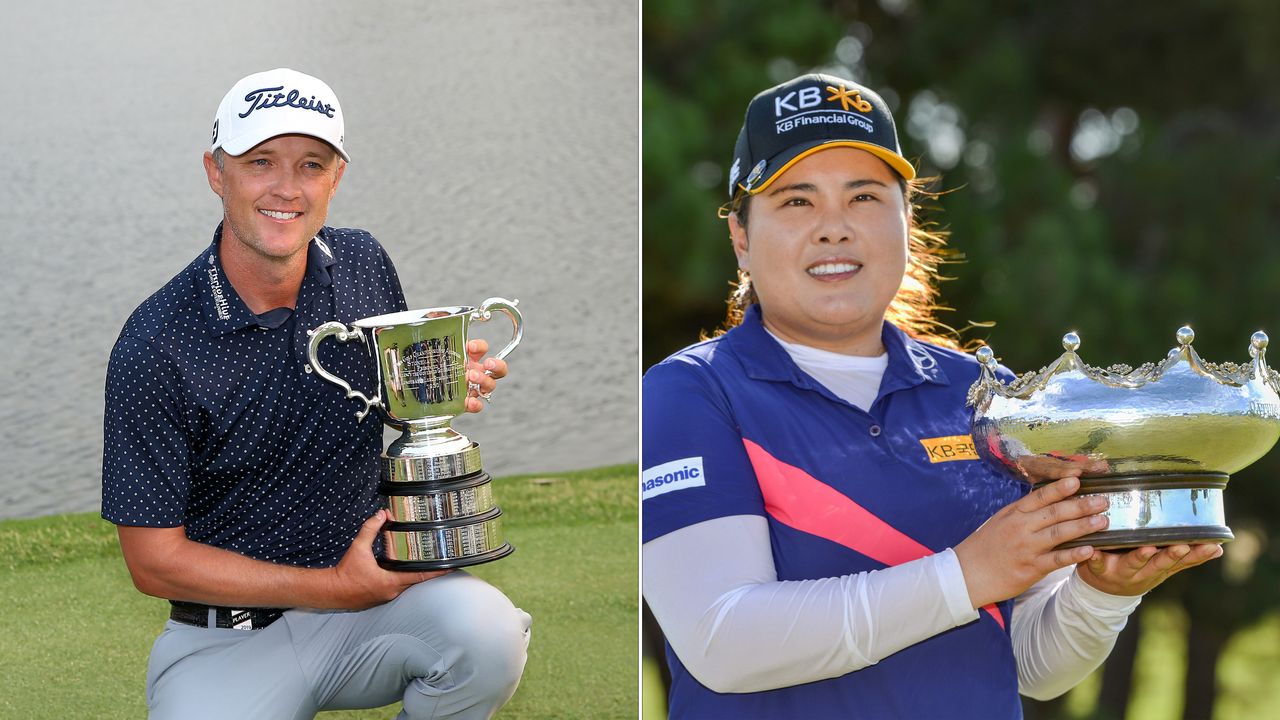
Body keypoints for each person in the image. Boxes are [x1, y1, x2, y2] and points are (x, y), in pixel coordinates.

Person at [641, 73, 1222, 719]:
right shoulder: (688, 393)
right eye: (796, 201)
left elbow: (1033, 667)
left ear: (906, 222)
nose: (833, 228)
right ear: (742, 238)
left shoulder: (984, 394)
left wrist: (1101, 592)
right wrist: (967, 573)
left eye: (863, 196)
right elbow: (722, 642)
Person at [101, 68, 531, 720]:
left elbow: (381, 402)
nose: (286, 187)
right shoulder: (156, 345)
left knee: (488, 636)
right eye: (260, 162)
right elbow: (154, 563)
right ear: (216, 172)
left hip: (379, 610)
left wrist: (436, 384)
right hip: (228, 640)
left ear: (336, 178)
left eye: (310, 164)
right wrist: (334, 588)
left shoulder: (361, 261)